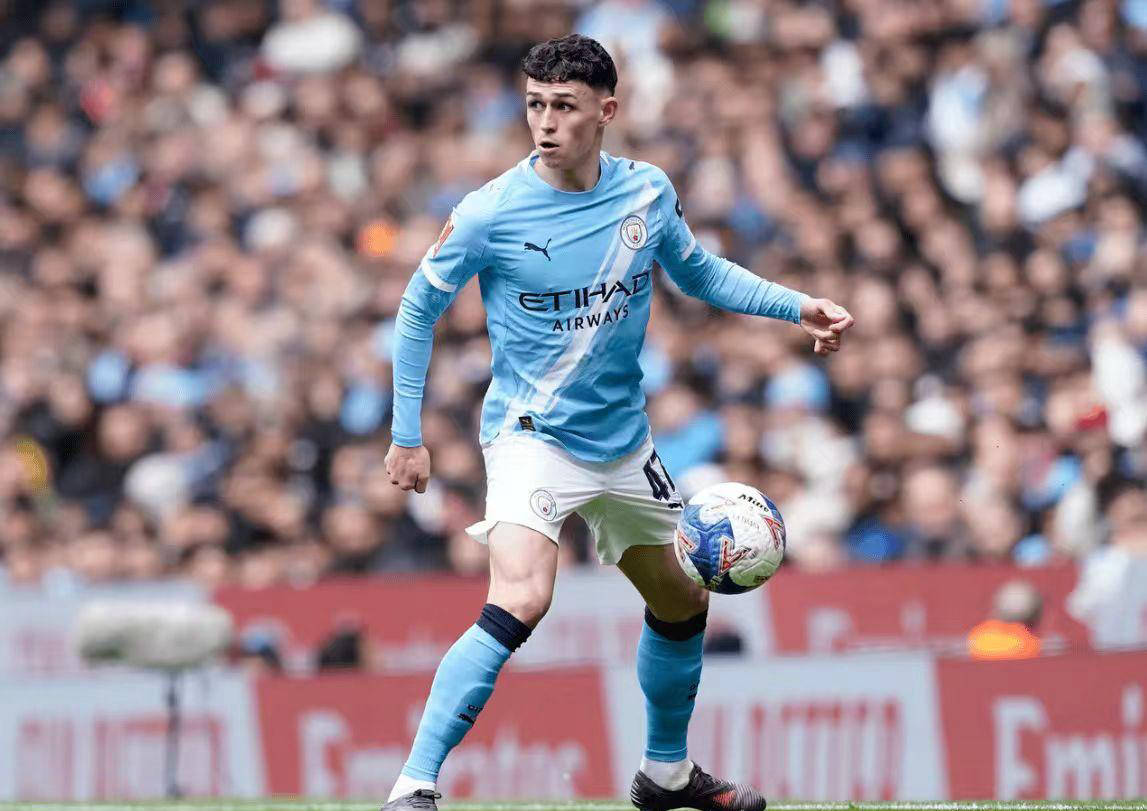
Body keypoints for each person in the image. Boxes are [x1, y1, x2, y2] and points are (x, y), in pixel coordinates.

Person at [383, 35, 854, 811]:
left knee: (682, 601)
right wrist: (407, 433)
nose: (544, 122)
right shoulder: (489, 212)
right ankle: (413, 785)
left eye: (563, 106)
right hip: (531, 436)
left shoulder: (645, 192)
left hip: (623, 443)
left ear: (605, 111)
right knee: (522, 595)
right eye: (534, 104)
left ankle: (664, 774)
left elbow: (697, 271)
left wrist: (794, 304)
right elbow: (415, 310)